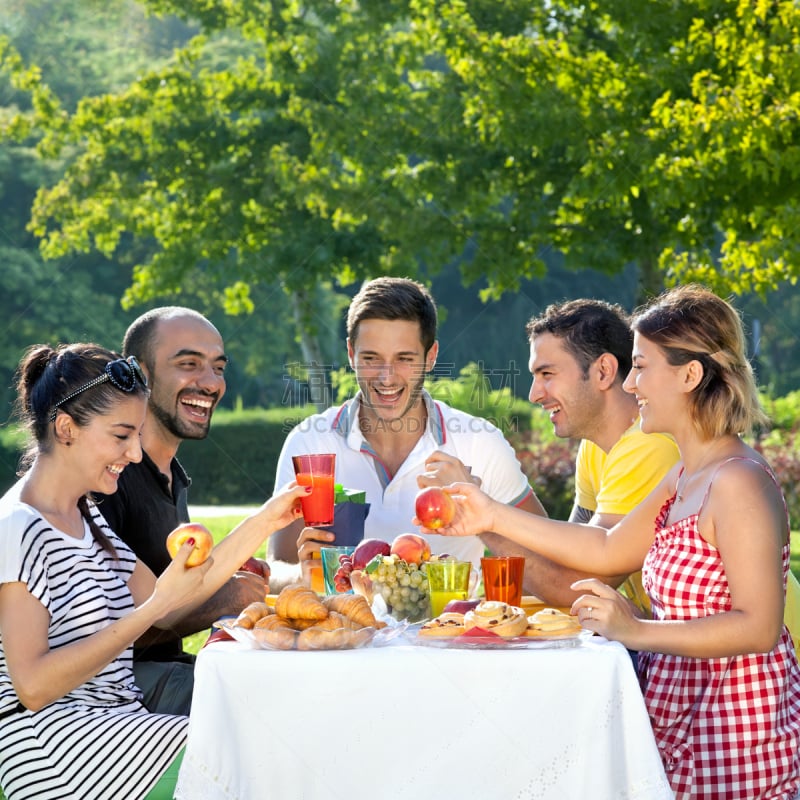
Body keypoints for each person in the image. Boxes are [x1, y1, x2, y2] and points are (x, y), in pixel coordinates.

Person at [420, 285, 800, 799]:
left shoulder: (738, 482)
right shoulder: (685, 476)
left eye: (641, 368)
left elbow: (758, 627)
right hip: (679, 726)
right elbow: (603, 549)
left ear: (690, 376)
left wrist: (636, 629)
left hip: (734, 739)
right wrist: (489, 515)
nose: (631, 382)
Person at [0, 343, 306, 800]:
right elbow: (34, 686)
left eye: (138, 435)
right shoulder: (17, 527)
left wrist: (266, 519)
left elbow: (177, 596)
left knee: (273, 737)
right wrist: (152, 608)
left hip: (119, 724)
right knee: (256, 754)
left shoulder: (88, 519)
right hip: (52, 745)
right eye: (122, 435)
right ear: (66, 428)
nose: (136, 454)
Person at [268, 276, 544, 570]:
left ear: (431, 357)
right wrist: (302, 573)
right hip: (343, 616)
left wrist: (480, 518)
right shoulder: (309, 444)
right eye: (372, 358)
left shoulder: (480, 444)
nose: (387, 377)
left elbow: (546, 557)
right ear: (351, 354)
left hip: (450, 617)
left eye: (404, 359)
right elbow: (278, 567)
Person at [93, 307, 270, 716]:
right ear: (140, 372)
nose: (210, 383)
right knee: (277, 700)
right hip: (119, 695)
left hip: (167, 674)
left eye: (218, 368)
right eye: (188, 364)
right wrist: (223, 598)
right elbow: (103, 633)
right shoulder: (108, 477)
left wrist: (228, 582)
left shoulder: (173, 476)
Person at [480, 299, 679, 607]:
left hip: (731, 652)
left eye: (547, 374)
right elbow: (561, 566)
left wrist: (484, 522)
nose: (534, 394)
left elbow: (576, 589)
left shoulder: (649, 445)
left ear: (603, 372)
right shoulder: (596, 447)